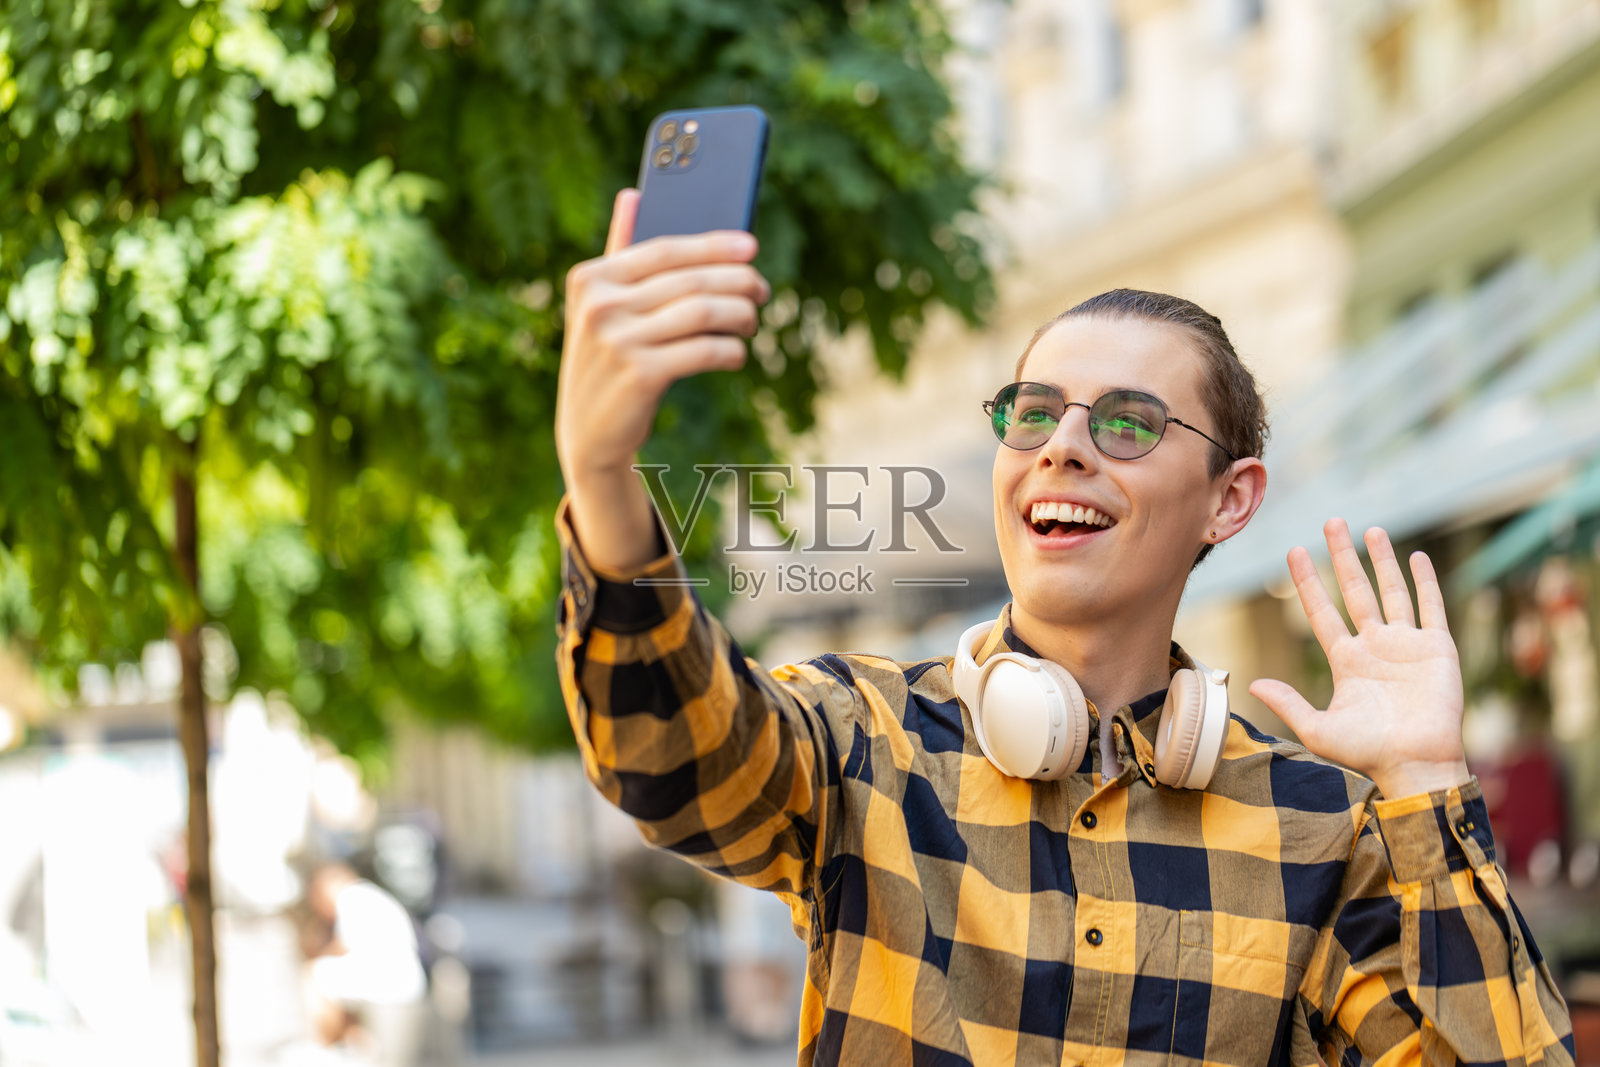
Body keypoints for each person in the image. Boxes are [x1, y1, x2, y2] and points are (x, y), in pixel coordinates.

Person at [553, 189, 1575, 1065]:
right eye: (1033, 413)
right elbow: (670, 755)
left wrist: (1425, 784)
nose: (1062, 447)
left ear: (1229, 499)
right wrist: (603, 481)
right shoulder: (862, 739)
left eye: (1126, 422)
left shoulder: (1319, 826)